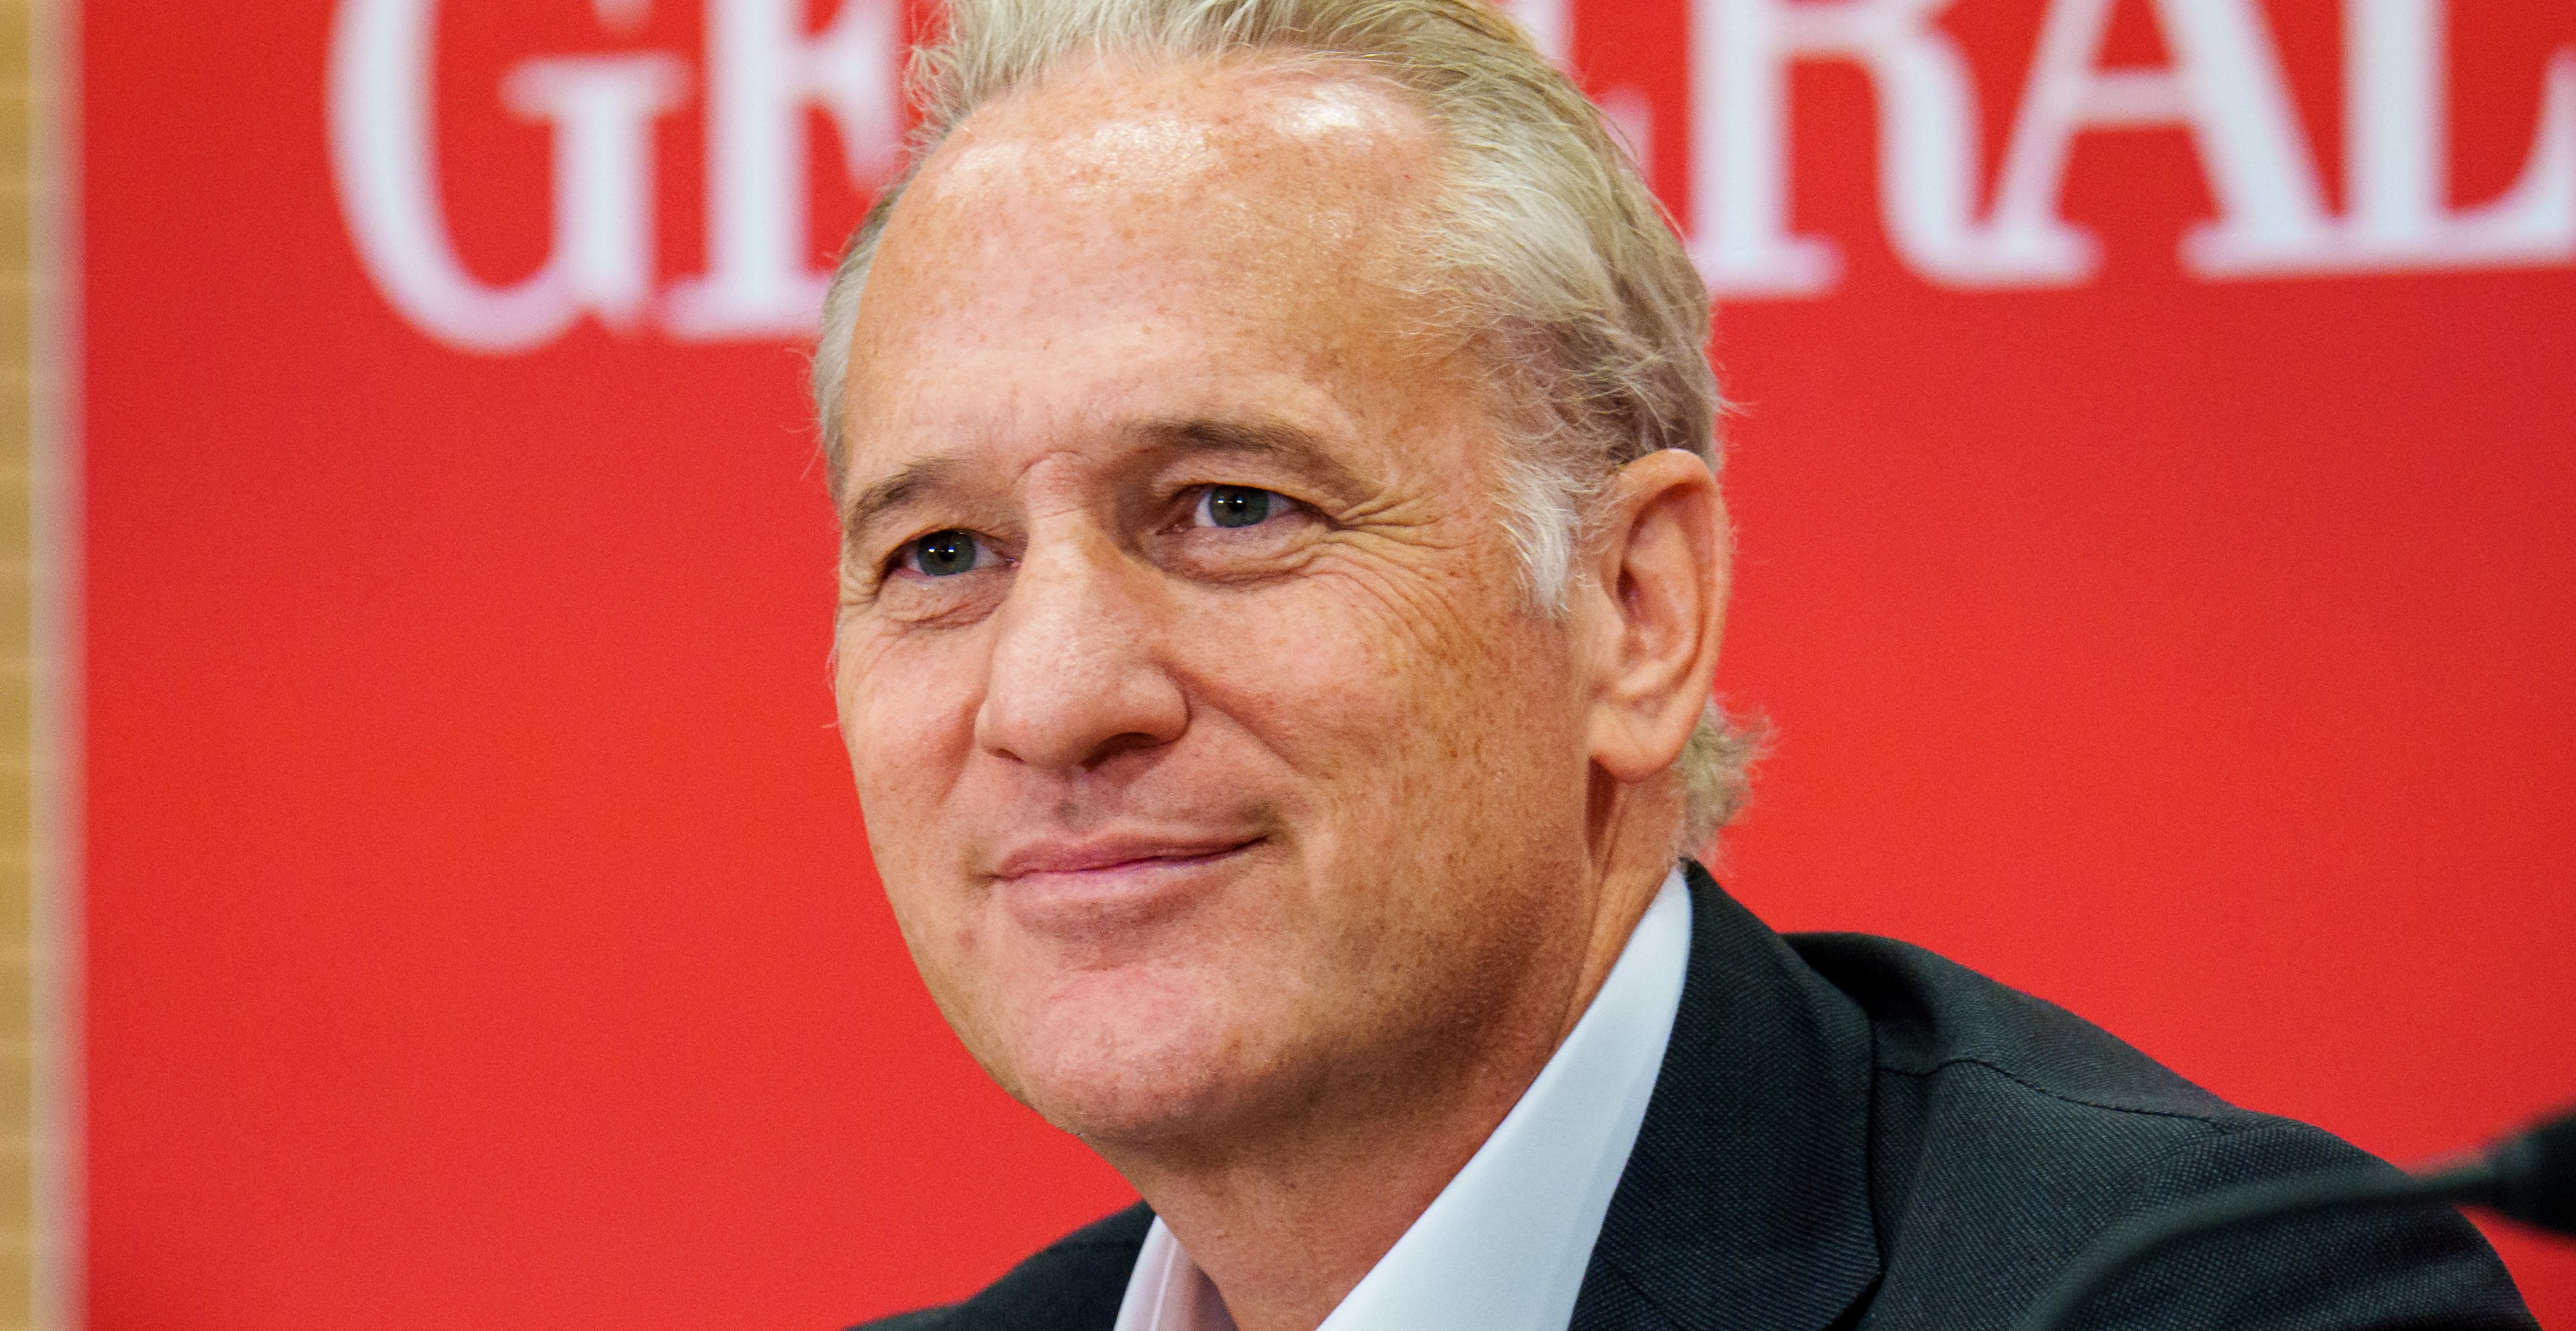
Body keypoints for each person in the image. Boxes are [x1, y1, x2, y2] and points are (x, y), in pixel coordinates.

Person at [809, 0, 2537, 1326]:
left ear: (1635, 608)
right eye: (941, 554)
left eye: (1232, 508)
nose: (1052, 698)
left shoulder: (2201, 1303)